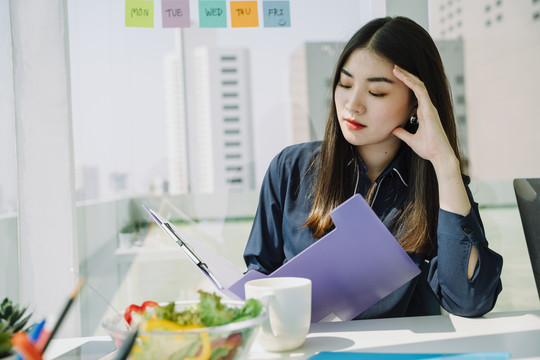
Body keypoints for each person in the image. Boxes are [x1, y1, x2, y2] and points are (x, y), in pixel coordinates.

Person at [243, 16, 503, 319]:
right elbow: (258, 275)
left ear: (416, 105)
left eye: (376, 92)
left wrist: (445, 165)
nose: (353, 104)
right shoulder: (290, 169)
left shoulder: (438, 187)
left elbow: (469, 301)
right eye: (345, 84)